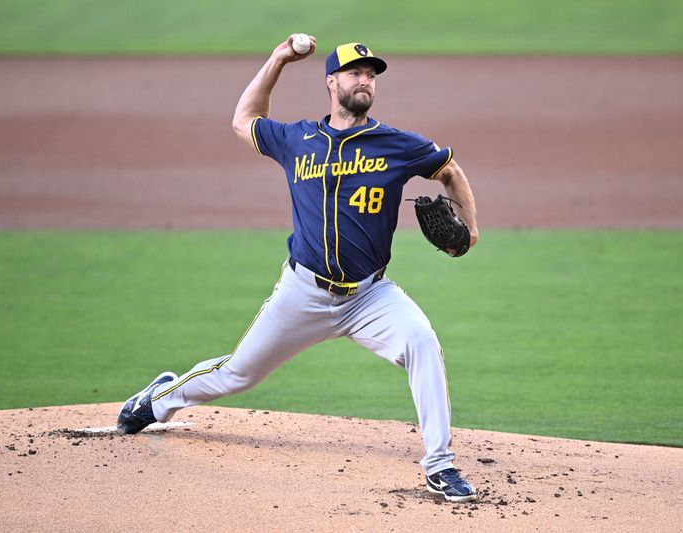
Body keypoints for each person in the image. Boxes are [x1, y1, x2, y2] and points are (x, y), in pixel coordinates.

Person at [116, 35, 480, 503]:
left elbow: (450, 169)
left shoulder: (397, 145)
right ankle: (159, 398)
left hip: (369, 296)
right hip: (302, 293)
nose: (365, 79)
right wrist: (278, 59)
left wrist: (469, 229)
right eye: (355, 72)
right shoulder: (297, 139)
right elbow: (244, 120)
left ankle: (440, 466)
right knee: (238, 373)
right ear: (332, 82)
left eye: (371, 74)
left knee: (422, 342)